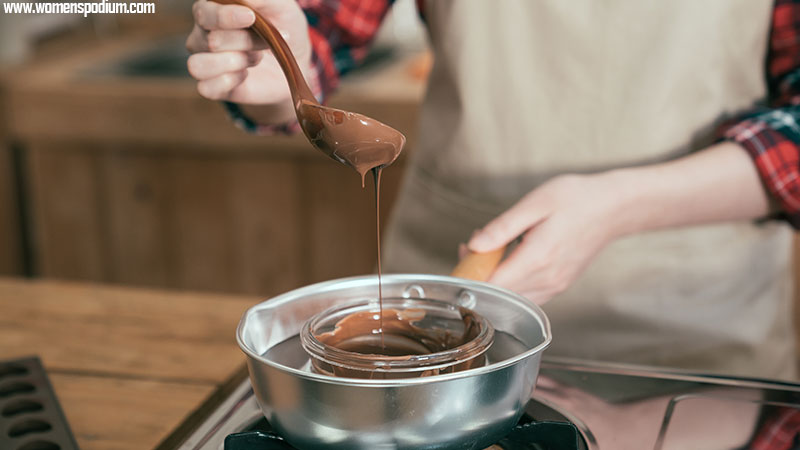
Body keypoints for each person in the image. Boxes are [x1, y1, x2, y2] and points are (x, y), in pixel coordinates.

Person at [186, 0, 800, 381]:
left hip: (698, 343)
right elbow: (319, 30)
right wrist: (272, 72)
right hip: (441, 324)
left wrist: (621, 205)